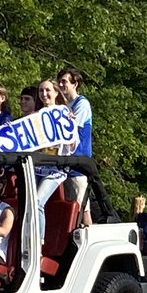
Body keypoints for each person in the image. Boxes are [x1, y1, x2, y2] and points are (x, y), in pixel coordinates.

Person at [33, 78, 74, 239]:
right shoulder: (35, 116)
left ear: (56, 92)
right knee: (28, 204)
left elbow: (71, 145)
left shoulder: (64, 113)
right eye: (41, 91)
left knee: (37, 202)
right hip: (37, 167)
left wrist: (70, 125)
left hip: (56, 169)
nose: (44, 94)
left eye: (48, 90)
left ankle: (38, 243)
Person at [57, 66, 93, 226]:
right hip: (64, 165)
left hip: (78, 164)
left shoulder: (82, 104)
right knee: (68, 208)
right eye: (60, 82)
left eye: (65, 81)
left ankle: (88, 238)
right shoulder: (63, 106)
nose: (61, 85)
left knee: (81, 207)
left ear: (75, 84)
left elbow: (70, 131)